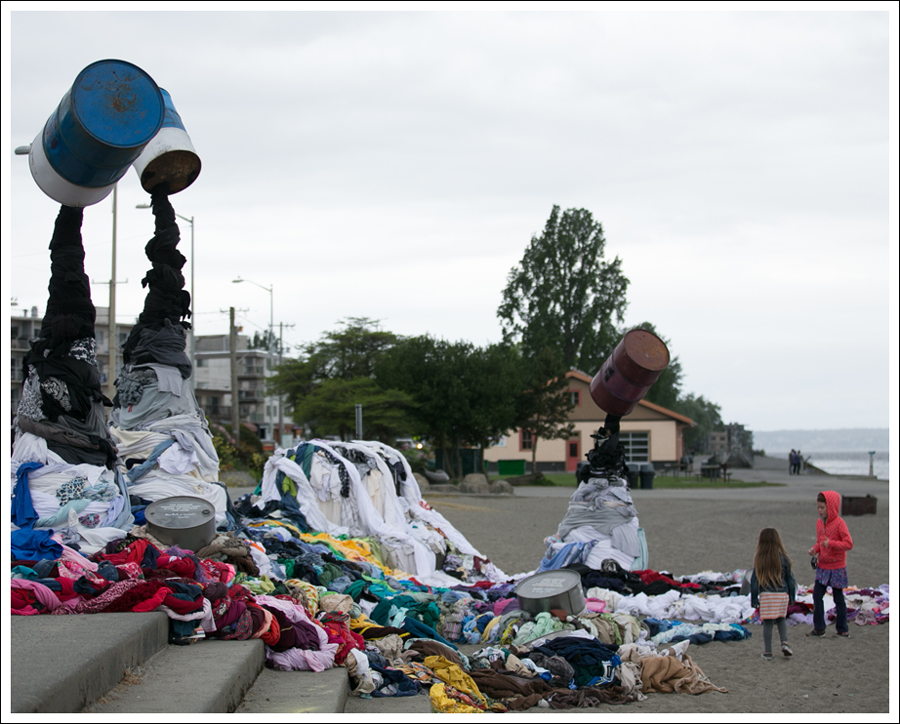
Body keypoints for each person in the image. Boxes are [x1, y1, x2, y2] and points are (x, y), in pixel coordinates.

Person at [808, 490, 853, 637]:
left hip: (837, 567)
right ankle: (819, 628)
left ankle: (842, 629)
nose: (819, 511)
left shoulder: (840, 524)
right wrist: (815, 550)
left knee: (838, 599)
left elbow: (848, 544)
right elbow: (820, 543)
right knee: (816, 596)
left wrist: (831, 544)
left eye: (822, 508)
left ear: (831, 507)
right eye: (818, 507)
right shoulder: (818, 523)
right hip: (822, 566)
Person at [750, 527, 796, 660]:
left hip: (767, 595)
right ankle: (785, 643)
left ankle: (768, 652)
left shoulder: (759, 559)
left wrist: (754, 599)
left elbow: (754, 581)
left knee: (768, 623)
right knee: (781, 619)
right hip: (782, 595)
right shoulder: (784, 559)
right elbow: (791, 580)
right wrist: (792, 596)